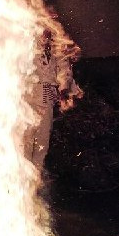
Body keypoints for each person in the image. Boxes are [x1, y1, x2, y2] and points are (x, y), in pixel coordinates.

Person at [26, 17, 83, 171]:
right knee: (27, 138)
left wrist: (65, 90)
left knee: (43, 139)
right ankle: (23, 170)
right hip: (29, 95)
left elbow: (64, 69)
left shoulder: (56, 47)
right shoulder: (27, 43)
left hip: (48, 94)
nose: (48, 30)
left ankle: (36, 175)